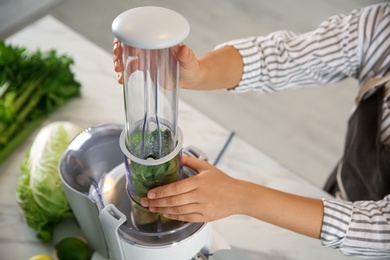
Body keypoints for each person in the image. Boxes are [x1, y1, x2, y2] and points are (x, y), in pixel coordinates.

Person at [113, 3, 390, 257]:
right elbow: (286, 57)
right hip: (343, 190)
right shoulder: (382, 23)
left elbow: (381, 231)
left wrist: (241, 197)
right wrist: (198, 73)